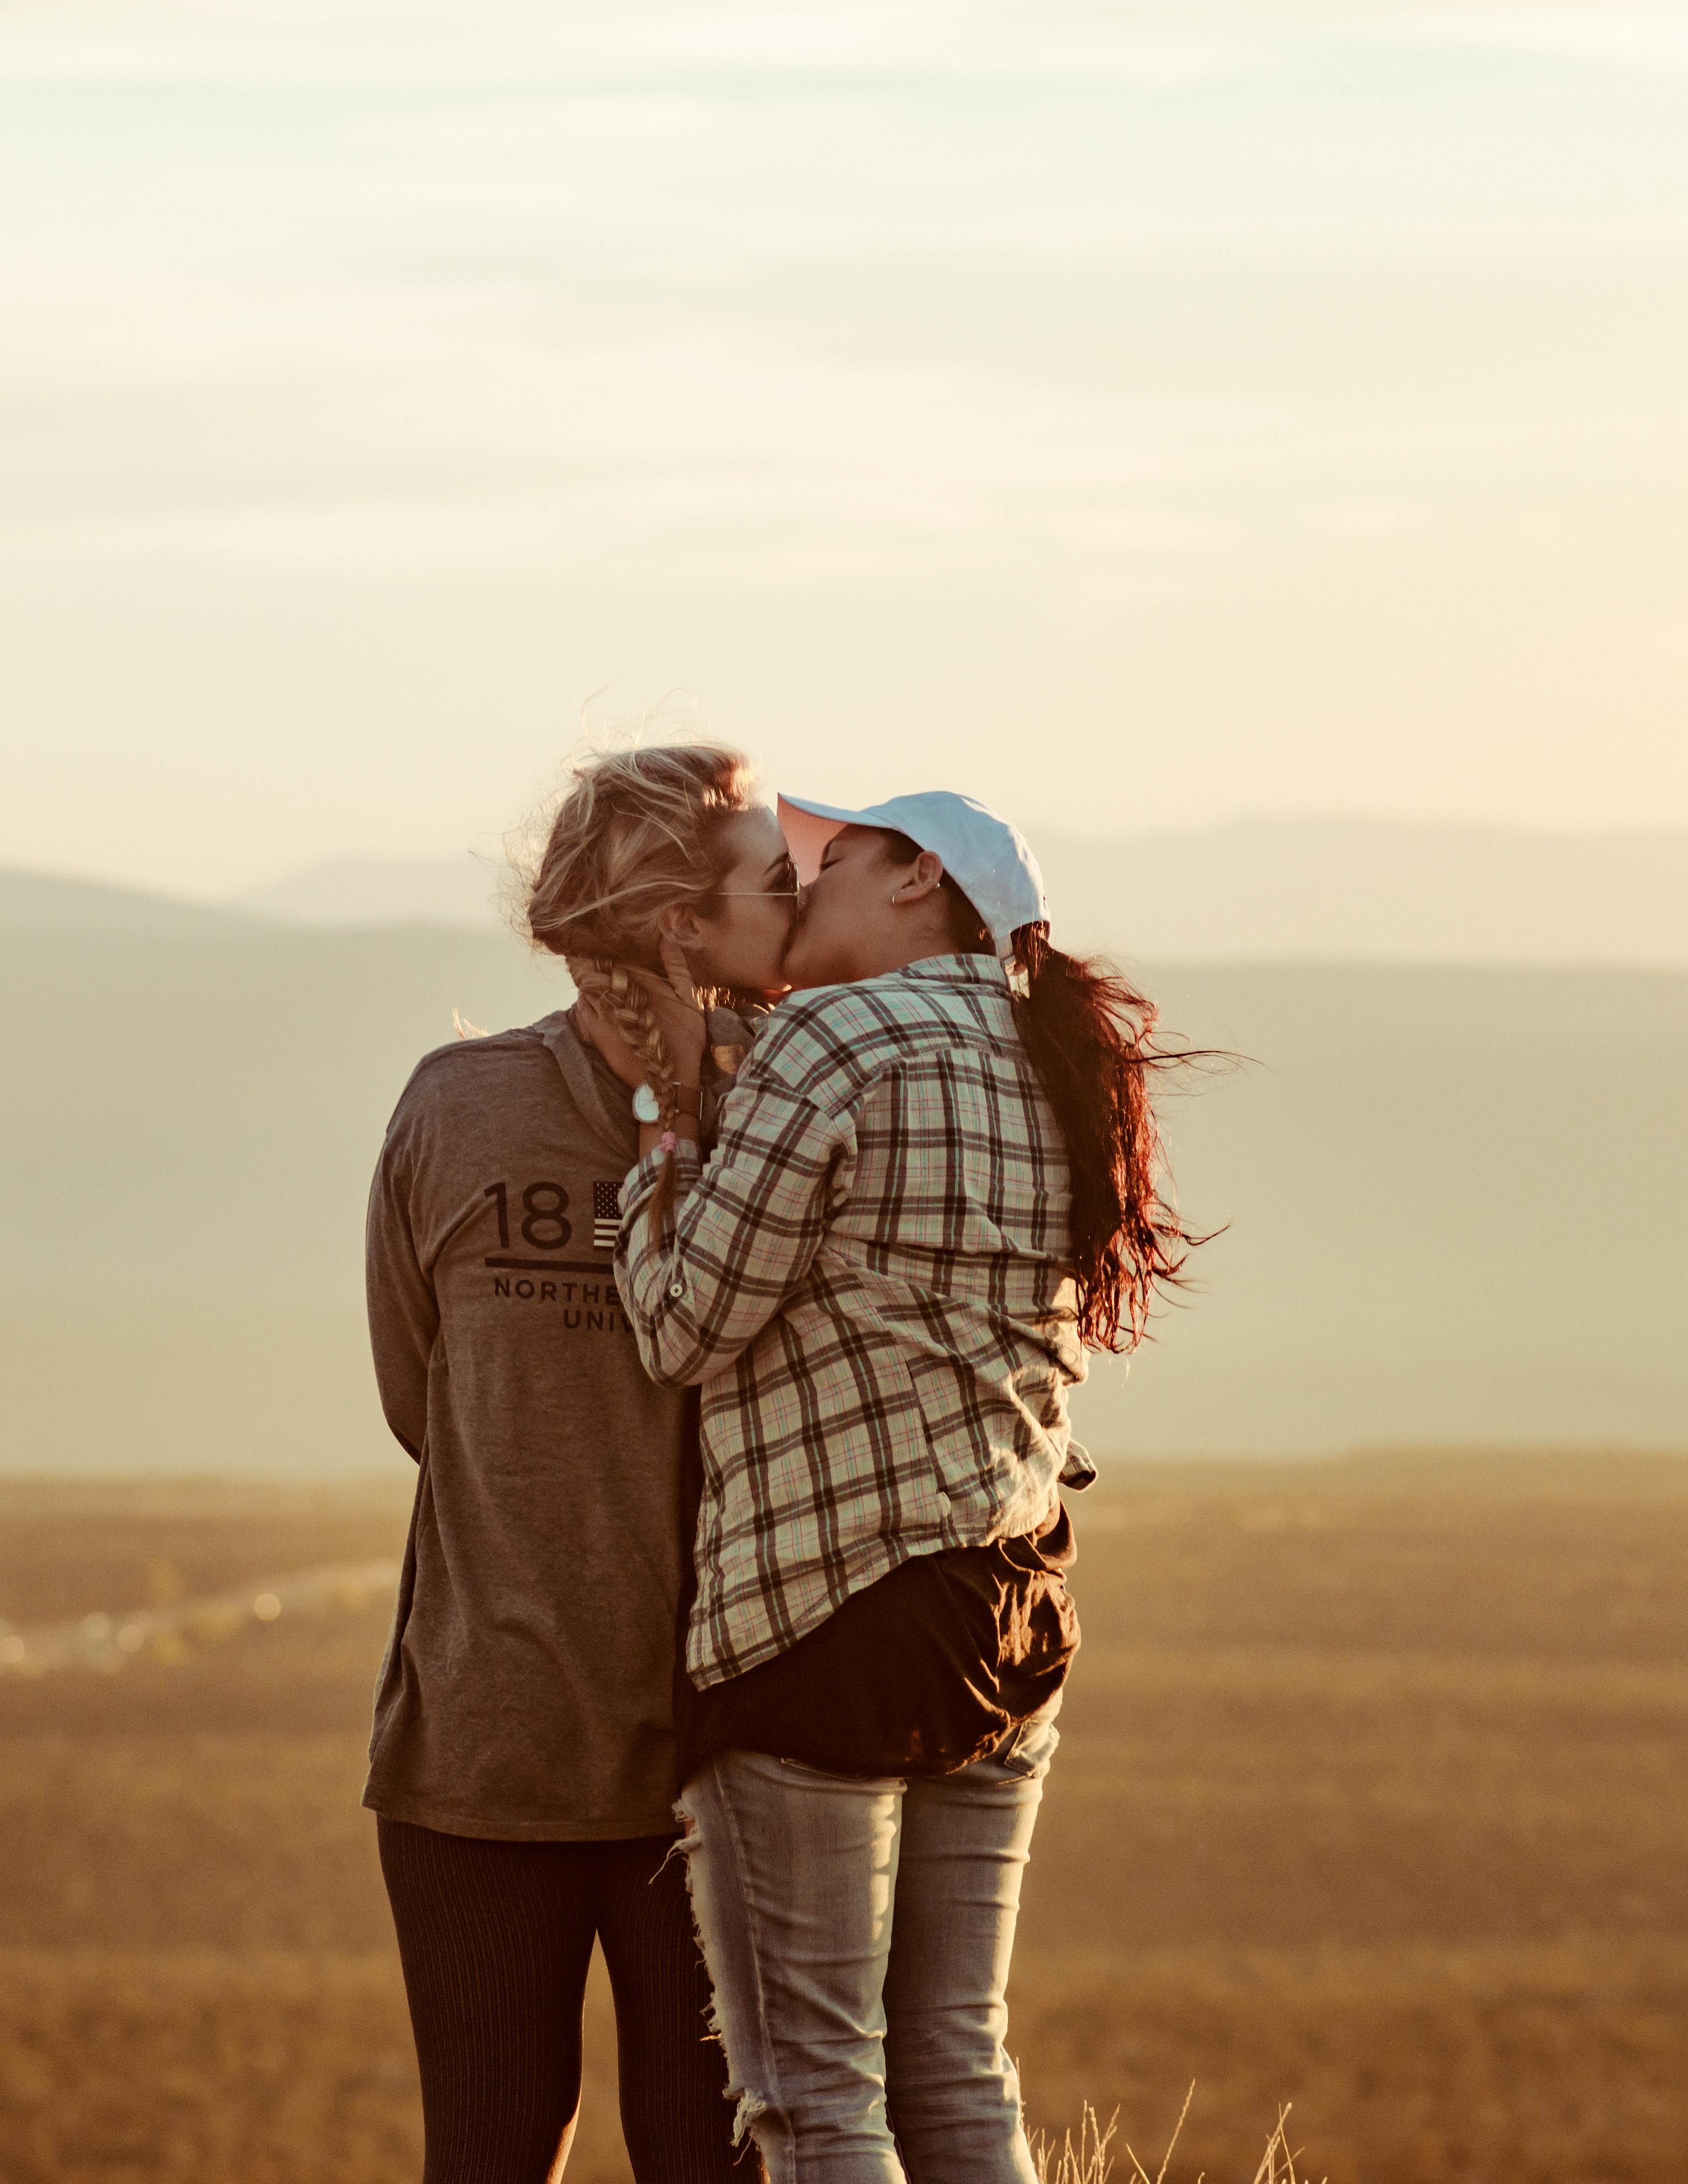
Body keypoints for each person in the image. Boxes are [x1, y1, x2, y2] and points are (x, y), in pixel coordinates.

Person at [590, 789, 1206, 2183]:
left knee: (815, 2094)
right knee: (954, 2064)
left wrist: (656, 1159)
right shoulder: (1056, 1058)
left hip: (826, 1609)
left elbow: (686, 1325)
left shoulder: (834, 1036)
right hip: (1013, 1603)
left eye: (834, 860)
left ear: (923, 877)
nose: (802, 888)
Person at [361, 742, 803, 2183]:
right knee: (487, 2154)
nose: (798, 908)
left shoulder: (795, 1118)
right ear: (679, 919)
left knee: (714, 2164)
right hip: (482, 1763)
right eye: (771, 881)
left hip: (724, 1772)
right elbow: (422, 1406)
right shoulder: (459, 1106)